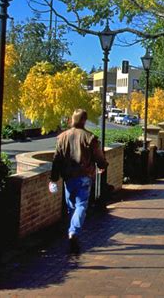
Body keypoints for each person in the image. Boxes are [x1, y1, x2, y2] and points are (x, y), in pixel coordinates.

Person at [49, 109, 108, 254]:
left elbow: (56, 159)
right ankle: (73, 231)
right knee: (81, 205)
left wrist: (54, 178)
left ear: (72, 119)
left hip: (68, 177)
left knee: (71, 207)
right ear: (84, 120)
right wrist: (102, 166)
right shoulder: (89, 137)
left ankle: (72, 230)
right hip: (84, 176)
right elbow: (98, 155)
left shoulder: (62, 137)